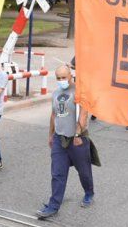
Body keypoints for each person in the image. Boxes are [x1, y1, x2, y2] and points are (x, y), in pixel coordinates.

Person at [36, 65, 94, 219]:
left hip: (77, 140)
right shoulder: (56, 93)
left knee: (84, 172)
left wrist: (77, 134)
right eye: (58, 78)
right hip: (59, 139)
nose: (61, 80)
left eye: (64, 77)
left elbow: (83, 115)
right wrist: (50, 135)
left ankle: (89, 192)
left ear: (71, 76)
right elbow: (53, 115)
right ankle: (53, 206)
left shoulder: (80, 92)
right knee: (57, 173)